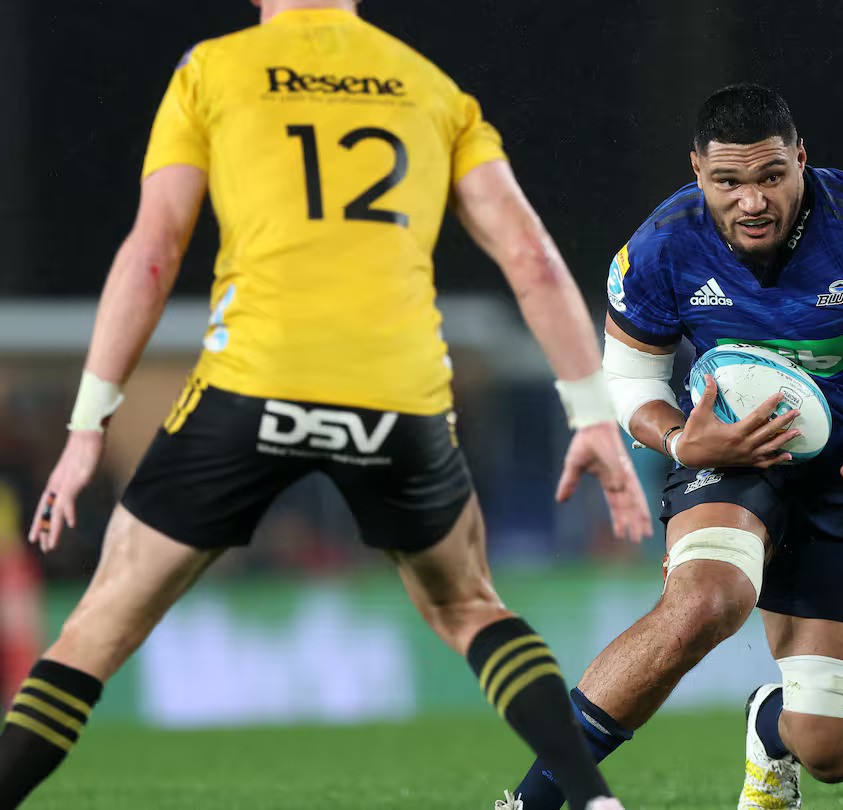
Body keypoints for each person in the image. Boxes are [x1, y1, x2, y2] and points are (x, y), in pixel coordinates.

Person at [0, 2, 650, 808]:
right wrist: (591, 414)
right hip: (398, 394)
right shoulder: (429, 85)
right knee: (469, 607)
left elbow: (154, 251)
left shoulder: (215, 69)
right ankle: (590, 800)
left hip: (253, 382)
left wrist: (87, 424)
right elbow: (531, 257)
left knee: (97, 629)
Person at [494, 84, 843, 810]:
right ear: (698, 172)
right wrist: (678, 437)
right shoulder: (663, 244)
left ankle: (769, 727)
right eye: (728, 181)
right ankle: (533, 801)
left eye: (769, 177)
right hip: (726, 455)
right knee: (706, 602)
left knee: (832, 750)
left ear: (801, 162)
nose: (751, 201)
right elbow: (630, 374)